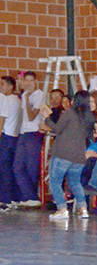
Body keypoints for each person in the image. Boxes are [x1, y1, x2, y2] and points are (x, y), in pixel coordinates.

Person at [42, 91, 92, 220]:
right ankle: (83, 209)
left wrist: (47, 117)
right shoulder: (89, 118)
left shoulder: (69, 113)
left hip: (62, 153)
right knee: (75, 182)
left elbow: (57, 129)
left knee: (55, 181)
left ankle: (62, 209)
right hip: (79, 155)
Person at [13, 71, 47, 207]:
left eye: (31, 80)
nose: (28, 83)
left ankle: (32, 196)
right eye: (26, 80)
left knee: (31, 166)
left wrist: (27, 100)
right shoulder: (24, 94)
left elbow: (32, 115)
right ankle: (28, 195)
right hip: (23, 132)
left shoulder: (39, 95)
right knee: (17, 166)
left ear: (35, 81)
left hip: (34, 132)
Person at [0, 75, 20, 207]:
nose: (1, 87)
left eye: (2, 84)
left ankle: (5, 200)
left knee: (4, 168)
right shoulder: (17, 100)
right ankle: (13, 198)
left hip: (6, 136)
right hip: (14, 137)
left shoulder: (5, 99)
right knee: (9, 168)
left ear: (11, 86)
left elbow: (2, 117)